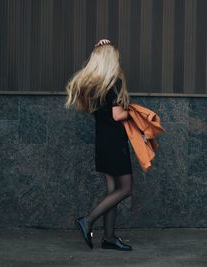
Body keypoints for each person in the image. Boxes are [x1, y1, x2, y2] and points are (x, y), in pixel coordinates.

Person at [65, 38, 133, 251]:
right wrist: (134, 113)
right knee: (126, 189)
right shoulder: (113, 82)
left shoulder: (93, 85)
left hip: (102, 141)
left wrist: (101, 46)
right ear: (110, 60)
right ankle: (87, 220)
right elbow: (117, 114)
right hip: (115, 142)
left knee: (112, 190)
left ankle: (109, 238)